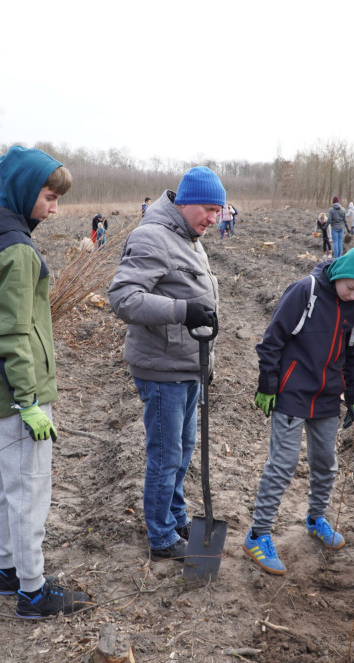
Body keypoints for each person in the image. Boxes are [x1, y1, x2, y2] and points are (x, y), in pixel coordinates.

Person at [0, 145, 91, 619]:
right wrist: (28, 399)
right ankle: (33, 591)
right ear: (27, 192)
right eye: (50, 196)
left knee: (7, 485)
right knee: (31, 488)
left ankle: (7, 570)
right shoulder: (16, 249)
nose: (55, 208)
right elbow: (10, 332)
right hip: (16, 395)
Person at [108, 166, 225, 564]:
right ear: (186, 202)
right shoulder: (152, 236)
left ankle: (176, 518)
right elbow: (123, 298)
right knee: (166, 455)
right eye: (209, 209)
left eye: (219, 211)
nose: (214, 218)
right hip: (162, 371)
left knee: (183, 449)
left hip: (189, 366)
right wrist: (182, 310)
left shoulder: (190, 238)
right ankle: (160, 536)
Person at [245, 242, 354, 575]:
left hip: (327, 397)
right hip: (291, 392)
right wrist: (268, 384)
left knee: (325, 463)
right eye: (350, 288)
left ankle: (316, 518)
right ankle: (257, 535)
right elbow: (272, 340)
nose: (352, 296)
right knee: (283, 464)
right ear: (341, 274)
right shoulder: (305, 291)